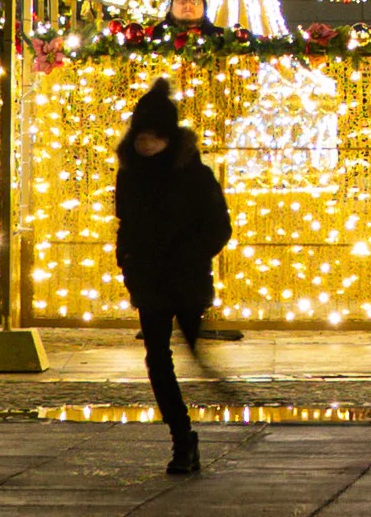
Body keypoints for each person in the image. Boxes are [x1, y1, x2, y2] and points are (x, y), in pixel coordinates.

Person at [114, 79, 233, 475]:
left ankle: (210, 372)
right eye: (140, 136)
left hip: (185, 278)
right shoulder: (130, 174)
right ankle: (183, 440)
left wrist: (189, 254)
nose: (144, 144)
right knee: (158, 361)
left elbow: (218, 226)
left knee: (190, 348)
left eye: (152, 137)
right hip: (149, 279)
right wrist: (127, 260)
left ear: (167, 137)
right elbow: (125, 223)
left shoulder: (194, 175)